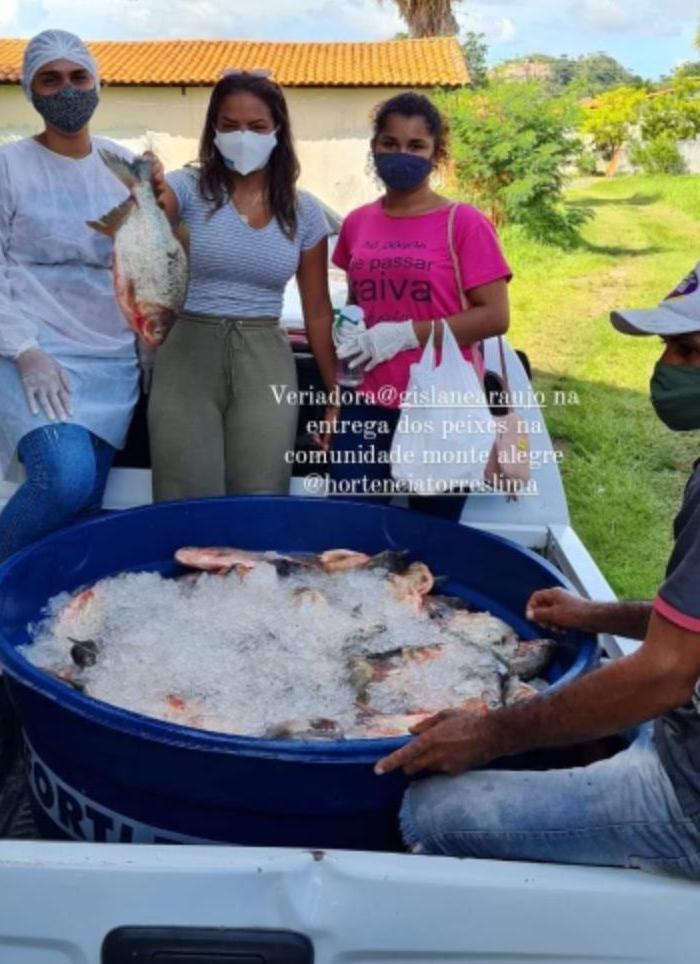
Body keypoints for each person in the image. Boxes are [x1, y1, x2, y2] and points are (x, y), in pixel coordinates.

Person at [376, 263, 700, 880]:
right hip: (686, 731)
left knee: (430, 806)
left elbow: (664, 675)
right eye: (669, 351)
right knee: (597, 687)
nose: (667, 371)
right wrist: (594, 614)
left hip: (688, 801)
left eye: (690, 352)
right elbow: (685, 633)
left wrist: (490, 736)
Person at [0, 29, 152, 603]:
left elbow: (149, 260)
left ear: (97, 82)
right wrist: (23, 349)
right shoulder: (1, 169)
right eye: (49, 79)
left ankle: (51, 613)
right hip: (28, 348)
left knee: (86, 502)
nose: (67, 91)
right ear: (30, 89)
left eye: (78, 77)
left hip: (109, 355)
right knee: (62, 479)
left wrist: (149, 345)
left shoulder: (124, 166)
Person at [149, 70, 335, 501]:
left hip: (265, 359)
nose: (243, 136)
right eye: (229, 126)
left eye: (256, 126)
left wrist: (334, 393)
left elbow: (319, 310)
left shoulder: (304, 212)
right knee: (184, 490)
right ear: (213, 130)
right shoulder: (188, 187)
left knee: (261, 489)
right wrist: (146, 185)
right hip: (187, 353)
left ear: (278, 131)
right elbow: (154, 213)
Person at [329, 92, 511, 519]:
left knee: (433, 537)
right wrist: (351, 327)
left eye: (416, 146)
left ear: (436, 154)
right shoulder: (357, 222)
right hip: (368, 401)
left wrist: (406, 333)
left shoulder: (464, 222)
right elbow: (359, 299)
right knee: (348, 531)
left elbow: (495, 316)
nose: (401, 155)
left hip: (442, 403)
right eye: (389, 144)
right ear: (373, 147)